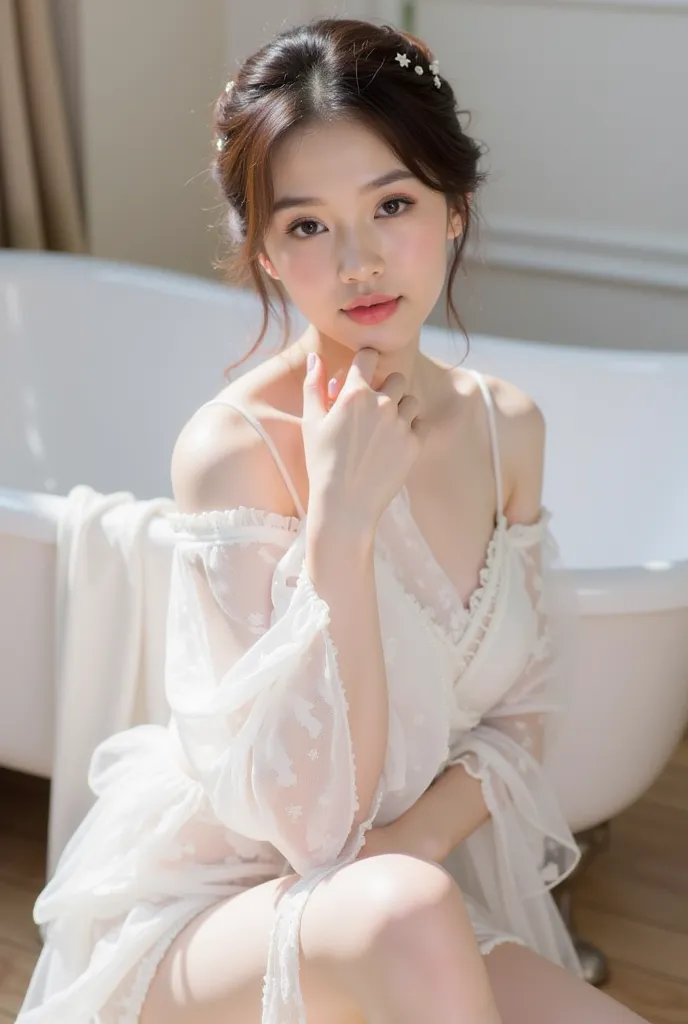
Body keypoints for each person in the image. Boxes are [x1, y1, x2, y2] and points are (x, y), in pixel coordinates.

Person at [17, 17, 650, 1024]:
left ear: (453, 209)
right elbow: (311, 825)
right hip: (223, 909)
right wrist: (340, 531)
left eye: (391, 204)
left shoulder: (505, 431)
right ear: (264, 251)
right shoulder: (232, 451)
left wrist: (415, 847)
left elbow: (520, 715)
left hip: (402, 896)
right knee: (402, 912)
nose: (356, 261)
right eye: (307, 225)